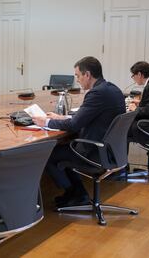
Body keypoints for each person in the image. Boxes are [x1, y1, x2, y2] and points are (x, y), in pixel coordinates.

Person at [33, 56, 125, 208]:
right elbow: (91, 115)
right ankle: (76, 194)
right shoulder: (112, 89)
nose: (77, 80)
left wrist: (47, 122)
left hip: (95, 151)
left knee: (50, 154)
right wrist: (63, 117)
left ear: (87, 74)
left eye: (78, 76)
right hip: (112, 150)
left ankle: (74, 193)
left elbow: (74, 126)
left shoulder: (96, 93)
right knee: (65, 150)